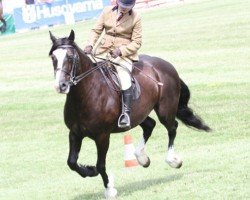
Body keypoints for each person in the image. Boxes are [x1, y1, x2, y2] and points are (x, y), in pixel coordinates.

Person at [84, 0, 142, 129]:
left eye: (128, 7)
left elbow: (137, 42)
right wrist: (90, 44)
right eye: (123, 6)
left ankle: (125, 114)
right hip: (102, 51)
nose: (125, 9)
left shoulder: (136, 17)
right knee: (86, 72)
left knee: (124, 78)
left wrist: (121, 51)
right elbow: (95, 31)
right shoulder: (106, 11)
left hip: (123, 55)